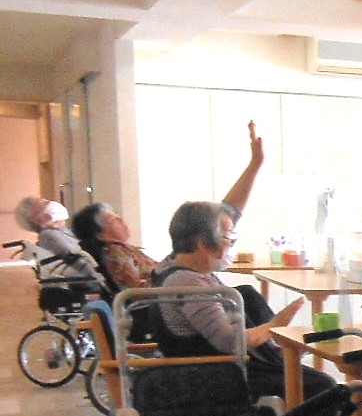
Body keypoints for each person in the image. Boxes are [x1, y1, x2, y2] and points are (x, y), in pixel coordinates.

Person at [150, 127, 347, 416]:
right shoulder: (190, 284)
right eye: (228, 238)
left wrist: (255, 165)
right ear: (203, 242)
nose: (231, 244)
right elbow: (231, 341)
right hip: (215, 376)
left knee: (246, 295)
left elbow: (228, 212)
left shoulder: (174, 264)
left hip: (215, 368)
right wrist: (276, 326)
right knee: (325, 389)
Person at [70, 123, 271, 294]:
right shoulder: (114, 253)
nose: (121, 221)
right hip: (174, 297)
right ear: (100, 233)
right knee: (246, 293)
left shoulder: (126, 251)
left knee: (245, 293)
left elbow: (225, 214)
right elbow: (139, 292)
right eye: (112, 219)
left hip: (178, 287)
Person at [13, 196, 99, 282]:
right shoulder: (48, 235)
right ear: (38, 220)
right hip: (88, 276)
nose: (53, 203)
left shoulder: (63, 230)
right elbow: (73, 257)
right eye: (46, 203)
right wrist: (98, 274)